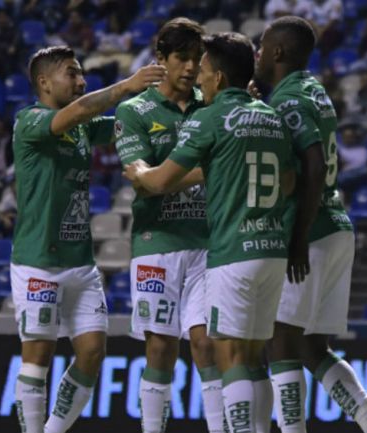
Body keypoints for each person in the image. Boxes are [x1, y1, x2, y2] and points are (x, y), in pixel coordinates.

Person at [125, 32, 295, 433]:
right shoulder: (270, 115)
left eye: (201, 68)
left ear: (218, 77)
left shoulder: (208, 116)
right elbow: (288, 182)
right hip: (272, 248)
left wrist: (142, 173)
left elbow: (161, 181)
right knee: (254, 357)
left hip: (229, 250)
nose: (196, 75)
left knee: (230, 355)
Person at [254, 17, 367, 433]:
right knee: (313, 346)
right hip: (336, 224)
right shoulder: (312, 89)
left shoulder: (288, 101)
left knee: (280, 337)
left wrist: (297, 237)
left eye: (262, 46)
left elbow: (314, 164)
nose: (258, 54)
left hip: (310, 232)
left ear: (278, 52)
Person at [10, 46, 164, 433]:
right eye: (72, 74)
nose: (81, 81)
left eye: (82, 75)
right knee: (37, 358)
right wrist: (128, 85)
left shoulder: (81, 125)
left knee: (93, 353)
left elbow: (123, 124)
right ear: (44, 82)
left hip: (80, 262)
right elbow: (78, 111)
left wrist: (168, 99)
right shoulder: (29, 120)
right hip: (38, 262)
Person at [114, 18, 222, 433]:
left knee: (206, 345)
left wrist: (162, 176)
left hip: (207, 242)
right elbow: (143, 182)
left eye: (198, 59)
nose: (191, 68)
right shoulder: (134, 110)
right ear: (160, 59)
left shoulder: (211, 104)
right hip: (156, 241)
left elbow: (153, 178)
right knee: (160, 347)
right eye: (182, 58)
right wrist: (209, 169)